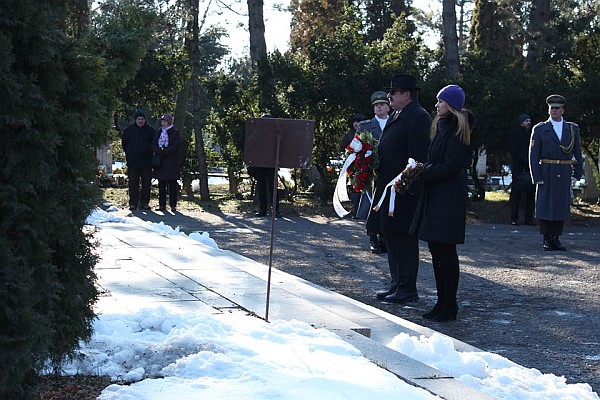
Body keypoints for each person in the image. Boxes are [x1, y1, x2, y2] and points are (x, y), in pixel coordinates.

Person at [410, 84, 474, 322]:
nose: (436, 105)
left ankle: (449, 304)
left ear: (452, 105)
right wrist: (422, 168)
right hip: (437, 196)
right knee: (437, 251)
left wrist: (423, 172)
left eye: (440, 101)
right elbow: (435, 159)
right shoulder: (442, 126)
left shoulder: (458, 130)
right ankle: (441, 301)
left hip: (448, 199)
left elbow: (450, 165)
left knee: (446, 253)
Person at [367, 73, 430, 304]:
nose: (390, 96)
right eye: (390, 92)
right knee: (390, 237)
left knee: (404, 239)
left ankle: (407, 288)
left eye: (395, 92)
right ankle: (396, 283)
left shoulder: (418, 117)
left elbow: (418, 158)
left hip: (404, 192)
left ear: (407, 94)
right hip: (388, 189)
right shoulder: (397, 115)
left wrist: (404, 185)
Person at [529, 94, 583, 251]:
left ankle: (556, 237)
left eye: (557, 108)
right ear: (548, 110)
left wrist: (577, 174)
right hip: (547, 170)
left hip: (564, 170)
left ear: (563, 111)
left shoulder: (572, 129)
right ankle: (546, 237)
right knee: (545, 205)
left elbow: (577, 152)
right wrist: (536, 175)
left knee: (560, 205)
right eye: (552, 108)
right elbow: (533, 155)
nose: (554, 110)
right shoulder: (540, 129)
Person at [359, 91, 390, 253]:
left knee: (387, 206)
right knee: (373, 205)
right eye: (376, 105)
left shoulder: (394, 122)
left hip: (390, 171)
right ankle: (373, 238)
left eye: (382, 104)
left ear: (388, 106)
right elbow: (356, 149)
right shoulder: (365, 126)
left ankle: (385, 237)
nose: (379, 107)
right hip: (372, 172)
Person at [121, 110, 156, 210]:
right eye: (139, 119)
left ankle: (145, 202)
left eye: (142, 119)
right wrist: (129, 153)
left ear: (145, 120)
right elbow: (124, 143)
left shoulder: (151, 131)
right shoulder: (129, 130)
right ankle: (133, 203)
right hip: (133, 162)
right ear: (135, 120)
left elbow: (154, 143)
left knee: (146, 184)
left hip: (147, 162)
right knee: (133, 183)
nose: (140, 121)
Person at [251, 114, 281, 218]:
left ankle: (275, 210)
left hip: (271, 165)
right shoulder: (257, 134)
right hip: (260, 165)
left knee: (273, 187)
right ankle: (262, 210)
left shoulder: (274, 134)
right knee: (261, 187)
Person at [509, 114, 535, 225]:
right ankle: (514, 218)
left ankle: (528, 218)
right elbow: (513, 150)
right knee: (516, 194)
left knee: (531, 195)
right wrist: (524, 159)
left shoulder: (532, 134)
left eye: (529, 121)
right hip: (519, 167)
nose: (528, 123)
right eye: (526, 121)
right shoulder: (514, 134)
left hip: (530, 168)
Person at [152, 114, 182, 212]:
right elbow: (153, 144)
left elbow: (176, 145)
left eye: (164, 122)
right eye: (162, 122)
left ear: (169, 123)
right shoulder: (159, 132)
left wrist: (166, 151)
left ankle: (173, 205)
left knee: (172, 185)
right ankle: (162, 205)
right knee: (161, 184)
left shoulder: (175, 132)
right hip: (161, 162)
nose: (163, 124)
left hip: (171, 162)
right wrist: (159, 150)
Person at [339, 113, 365, 218]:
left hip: (365, 163)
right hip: (353, 165)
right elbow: (342, 146)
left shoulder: (366, 133)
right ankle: (355, 210)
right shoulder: (349, 134)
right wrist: (348, 153)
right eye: (355, 122)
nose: (356, 124)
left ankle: (363, 209)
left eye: (358, 122)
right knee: (355, 187)